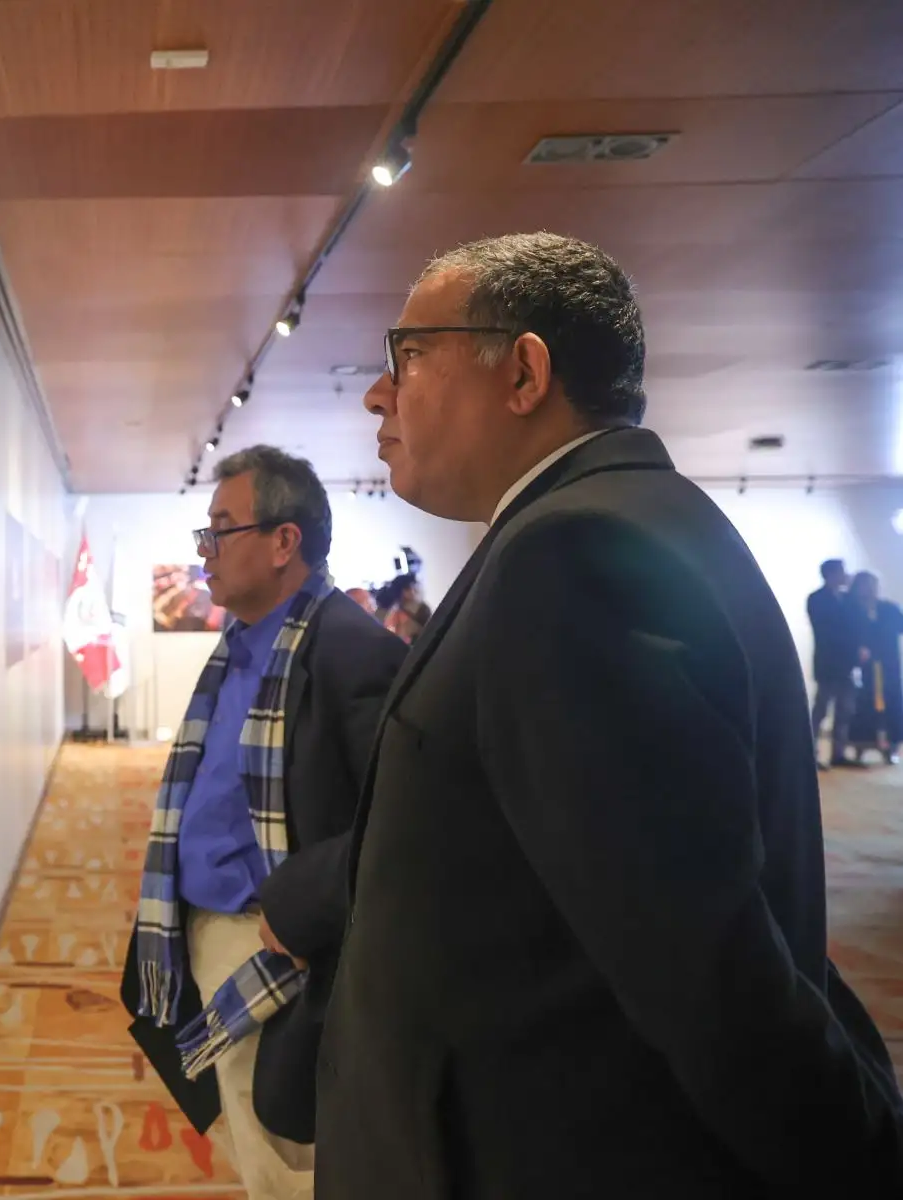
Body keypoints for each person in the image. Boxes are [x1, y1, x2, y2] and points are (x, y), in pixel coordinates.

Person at [310, 231, 903, 1197]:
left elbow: (712, 973)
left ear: (525, 373)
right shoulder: (616, 524)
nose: (378, 393)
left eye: (409, 355)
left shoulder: (573, 561)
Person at [122, 446, 406, 1199]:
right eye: (203, 533)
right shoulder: (242, 645)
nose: (204, 552)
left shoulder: (352, 650)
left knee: (289, 1166)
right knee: (256, 1147)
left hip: (280, 950)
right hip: (214, 930)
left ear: (285, 542)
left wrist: (305, 911)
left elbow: (401, 818)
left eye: (222, 529)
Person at [809, 558, 862, 768]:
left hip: (847, 665)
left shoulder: (849, 599)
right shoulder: (816, 599)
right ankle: (810, 753)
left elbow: (857, 626)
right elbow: (827, 630)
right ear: (831, 574)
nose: (845, 575)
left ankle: (838, 754)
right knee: (821, 710)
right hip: (828, 663)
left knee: (845, 710)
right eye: (842, 571)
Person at [848, 571, 903, 764]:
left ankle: (892, 746)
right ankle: (861, 746)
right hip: (865, 668)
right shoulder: (853, 610)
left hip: (888, 665)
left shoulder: (888, 608)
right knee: (864, 705)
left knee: (892, 703)